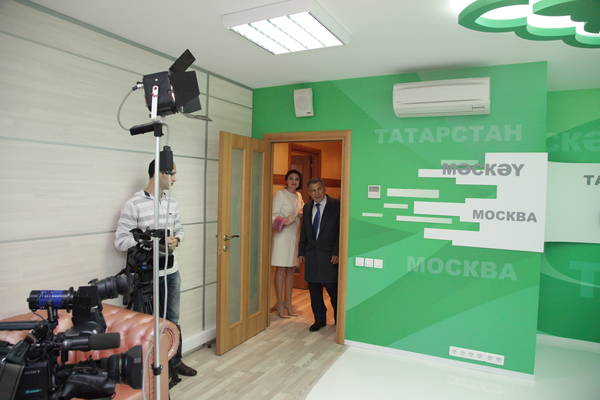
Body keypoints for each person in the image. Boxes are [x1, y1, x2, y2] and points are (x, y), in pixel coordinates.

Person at [114, 160, 197, 383]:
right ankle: (153, 369)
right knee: (150, 323)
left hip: (171, 272)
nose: (175, 179)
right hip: (147, 277)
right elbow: (120, 241)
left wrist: (176, 239)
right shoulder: (134, 204)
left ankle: (175, 362)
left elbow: (180, 229)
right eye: (173, 173)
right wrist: (150, 241)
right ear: (161, 173)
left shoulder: (172, 203)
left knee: (173, 319)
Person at [298, 178, 340, 332]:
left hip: (330, 256)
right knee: (314, 291)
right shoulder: (307, 207)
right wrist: (301, 251)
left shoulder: (336, 205)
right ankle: (319, 320)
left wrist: (337, 252)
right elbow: (304, 231)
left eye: (319, 189)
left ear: (324, 189)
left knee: (334, 291)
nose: (317, 193)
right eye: (313, 190)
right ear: (309, 193)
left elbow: (341, 232)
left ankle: (339, 321)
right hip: (312, 256)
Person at [271, 169, 305, 318]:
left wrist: (301, 214)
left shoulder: (298, 195)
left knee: (291, 270)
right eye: (291, 178)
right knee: (281, 269)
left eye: (297, 179)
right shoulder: (280, 194)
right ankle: (279, 304)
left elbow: (302, 211)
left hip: (294, 237)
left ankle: (288, 304)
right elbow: (273, 217)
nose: (294, 181)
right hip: (282, 237)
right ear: (286, 180)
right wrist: (290, 218)